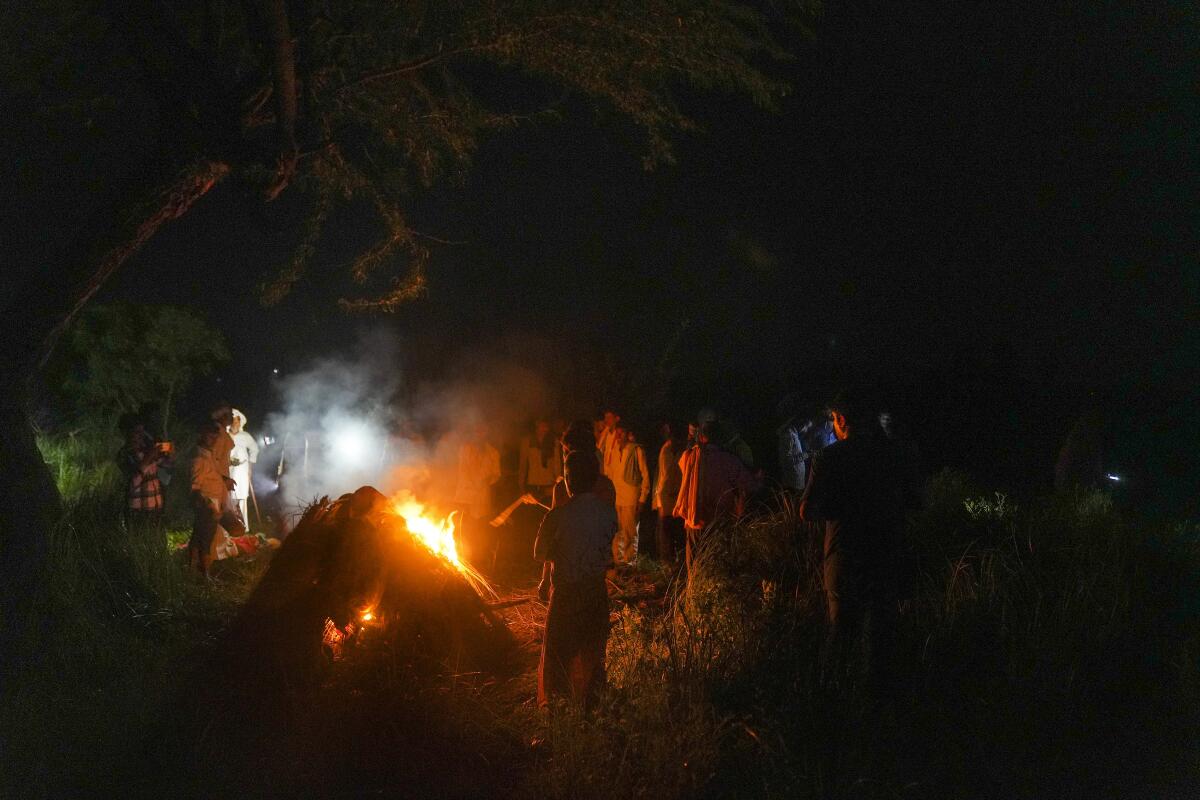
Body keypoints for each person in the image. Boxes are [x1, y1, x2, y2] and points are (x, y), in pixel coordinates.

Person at [799, 392, 911, 695]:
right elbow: (913, 501)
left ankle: (835, 704)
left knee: (841, 636)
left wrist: (839, 507)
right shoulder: (894, 453)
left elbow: (807, 510)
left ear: (841, 420)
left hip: (844, 555)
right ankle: (879, 709)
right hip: (885, 554)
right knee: (881, 641)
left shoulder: (830, 457)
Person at [534, 450, 617, 708]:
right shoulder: (608, 513)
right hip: (595, 590)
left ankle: (557, 709)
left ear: (568, 480)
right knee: (592, 652)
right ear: (594, 480)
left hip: (566, 593)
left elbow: (539, 554)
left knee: (559, 654)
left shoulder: (557, 516)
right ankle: (591, 705)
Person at [673, 420, 761, 577]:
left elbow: (681, 464)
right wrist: (758, 478)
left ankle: (692, 597)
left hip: (693, 522)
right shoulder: (729, 460)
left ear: (702, 437)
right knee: (716, 568)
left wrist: (691, 440)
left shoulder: (690, 456)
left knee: (694, 566)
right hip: (718, 522)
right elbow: (750, 485)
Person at [189, 420, 246, 577]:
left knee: (198, 539)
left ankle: (192, 571)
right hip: (207, 505)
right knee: (205, 540)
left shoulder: (208, 456)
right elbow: (195, 488)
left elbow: (210, 474)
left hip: (213, 503)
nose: (213, 441)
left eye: (215, 438)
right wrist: (210, 506)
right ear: (202, 436)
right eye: (210, 437)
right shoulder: (199, 459)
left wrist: (224, 480)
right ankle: (205, 575)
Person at [454, 422, 501, 566]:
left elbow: (497, 473)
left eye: (483, 431)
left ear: (487, 433)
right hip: (466, 495)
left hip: (483, 497)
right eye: (477, 431)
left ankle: (479, 559)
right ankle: (464, 559)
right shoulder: (465, 449)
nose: (479, 434)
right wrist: (470, 487)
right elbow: (462, 470)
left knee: (481, 528)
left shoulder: (493, 452)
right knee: (465, 528)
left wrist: (488, 480)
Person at [116, 413, 169, 530]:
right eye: (137, 432)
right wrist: (150, 456)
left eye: (142, 431)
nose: (141, 435)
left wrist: (169, 454)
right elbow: (134, 479)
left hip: (155, 506)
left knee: (157, 542)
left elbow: (165, 465)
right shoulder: (124, 454)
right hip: (138, 510)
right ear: (126, 433)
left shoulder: (146, 450)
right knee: (140, 539)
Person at [609, 424, 649, 566]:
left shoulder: (636, 450)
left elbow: (645, 475)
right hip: (616, 497)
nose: (619, 436)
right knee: (616, 533)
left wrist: (642, 499)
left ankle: (629, 565)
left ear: (628, 434)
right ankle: (618, 563)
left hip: (631, 498)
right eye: (617, 433)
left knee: (630, 533)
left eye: (622, 433)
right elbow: (611, 474)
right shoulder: (613, 451)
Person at [652, 422, 686, 565]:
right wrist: (657, 499)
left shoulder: (684, 451)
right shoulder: (665, 450)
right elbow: (661, 476)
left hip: (679, 498)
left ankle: (678, 564)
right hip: (665, 498)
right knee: (665, 534)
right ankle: (667, 565)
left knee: (677, 533)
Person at [518, 418, 562, 504]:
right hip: (532, 485)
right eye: (542, 426)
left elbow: (557, 464)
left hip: (548, 485)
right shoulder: (527, 442)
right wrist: (521, 484)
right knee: (532, 514)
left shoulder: (553, 442)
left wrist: (557, 484)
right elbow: (523, 464)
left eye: (546, 426)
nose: (544, 429)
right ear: (537, 425)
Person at [228, 409, 260, 528]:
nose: (234, 424)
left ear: (240, 423)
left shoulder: (245, 436)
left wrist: (250, 467)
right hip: (228, 468)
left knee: (241, 496)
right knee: (229, 497)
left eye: (236, 421)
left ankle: (243, 526)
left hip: (242, 469)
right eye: (232, 421)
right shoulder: (225, 436)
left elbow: (254, 449)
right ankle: (231, 526)